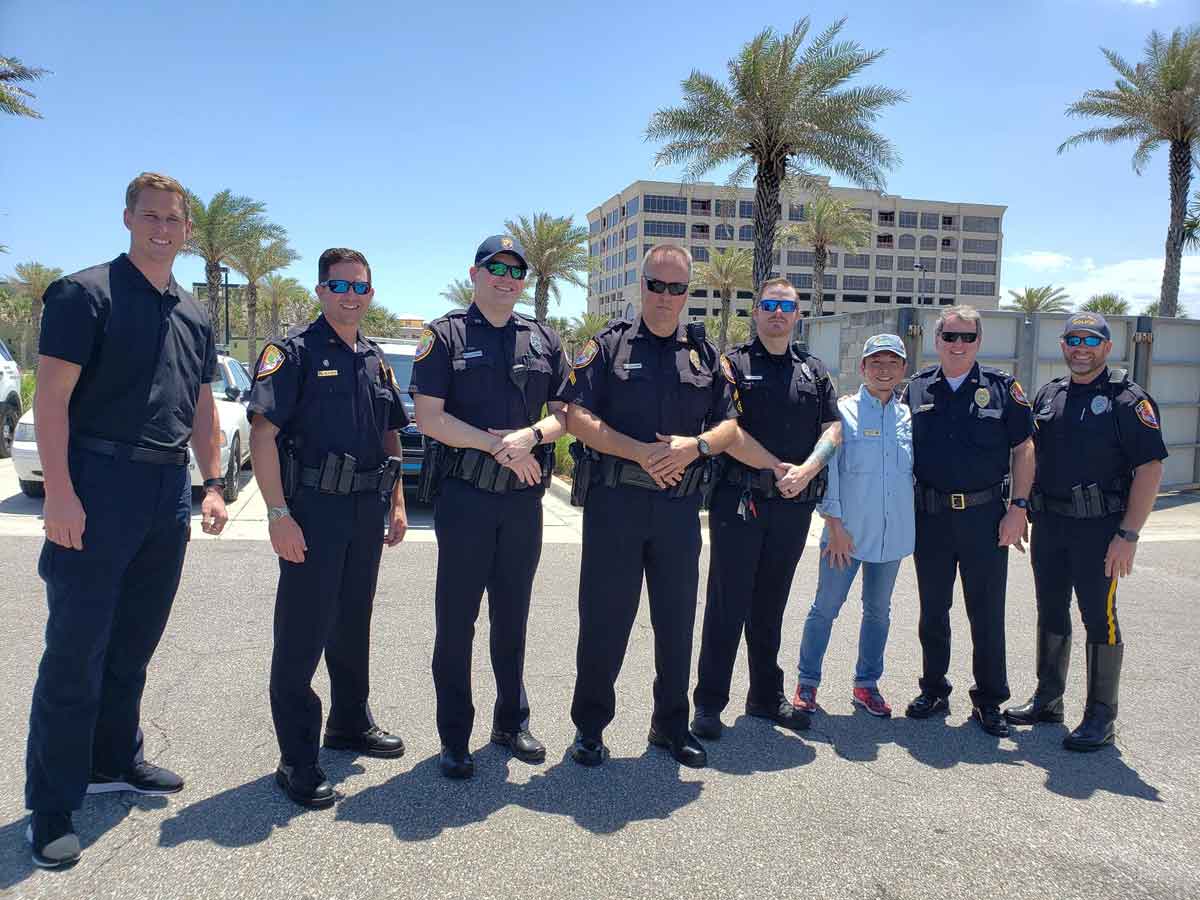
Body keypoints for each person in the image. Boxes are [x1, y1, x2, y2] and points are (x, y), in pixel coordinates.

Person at [25, 172, 228, 868]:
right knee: (75, 652)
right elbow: (50, 402)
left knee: (133, 645)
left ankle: (114, 760)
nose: (163, 228)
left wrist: (213, 483)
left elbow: (201, 407)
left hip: (166, 490)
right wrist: (59, 493)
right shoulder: (84, 295)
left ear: (188, 230)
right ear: (127, 219)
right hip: (96, 481)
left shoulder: (195, 314)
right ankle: (51, 804)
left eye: (174, 219)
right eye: (151, 216)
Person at [562, 243, 737, 769]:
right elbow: (574, 415)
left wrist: (695, 446)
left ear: (688, 292)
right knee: (604, 620)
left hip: (678, 511)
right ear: (641, 286)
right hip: (616, 503)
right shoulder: (608, 347)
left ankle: (670, 726)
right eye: (656, 285)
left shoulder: (707, 356)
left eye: (677, 287)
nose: (666, 297)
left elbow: (730, 425)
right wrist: (638, 450)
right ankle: (590, 729)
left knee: (676, 621)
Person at [248, 247, 409, 808]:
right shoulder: (291, 353)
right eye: (339, 285)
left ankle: (348, 721)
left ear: (370, 294)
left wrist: (397, 503)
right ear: (320, 290)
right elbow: (262, 436)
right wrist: (277, 514)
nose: (350, 295)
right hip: (311, 512)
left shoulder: (375, 358)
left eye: (360, 287)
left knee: (352, 621)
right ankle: (296, 757)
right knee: (301, 633)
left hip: (366, 509)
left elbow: (392, 434)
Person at [409, 235, 568, 779]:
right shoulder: (445, 336)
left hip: (522, 503)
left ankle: (510, 721)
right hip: (466, 501)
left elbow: (565, 414)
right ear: (474, 274)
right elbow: (429, 417)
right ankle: (455, 736)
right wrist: (500, 447)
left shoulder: (544, 338)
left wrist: (529, 435)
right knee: (456, 622)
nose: (506, 278)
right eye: (495, 268)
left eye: (515, 271)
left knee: (513, 618)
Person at [1005, 312, 1166, 750]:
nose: (1081, 347)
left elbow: (1150, 468)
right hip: (1051, 524)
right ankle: (1048, 699)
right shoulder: (1049, 394)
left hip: (1100, 530)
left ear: (1107, 347)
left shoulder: (1128, 400)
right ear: (1062, 345)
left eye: (1091, 340)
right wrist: (1020, 507)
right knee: (1050, 609)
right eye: (1073, 339)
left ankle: (1100, 716)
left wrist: (1129, 534)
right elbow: (1030, 452)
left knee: (1100, 616)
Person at [690, 278, 842, 741]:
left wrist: (809, 469)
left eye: (787, 306)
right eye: (770, 305)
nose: (778, 313)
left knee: (771, 603)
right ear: (756, 312)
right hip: (740, 500)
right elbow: (724, 428)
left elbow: (833, 426)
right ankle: (709, 704)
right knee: (726, 603)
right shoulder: (733, 365)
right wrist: (778, 467)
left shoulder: (813, 371)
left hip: (792, 504)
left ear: (798, 315)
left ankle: (763, 696)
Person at [902, 306, 1034, 737]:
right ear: (937, 340)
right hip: (932, 518)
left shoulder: (1001, 388)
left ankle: (990, 699)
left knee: (987, 613)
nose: (958, 345)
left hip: (985, 518)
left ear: (979, 342)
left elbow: (1024, 448)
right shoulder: (917, 389)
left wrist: (1019, 507)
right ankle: (934, 689)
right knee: (933, 611)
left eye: (968, 337)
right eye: (950, 336)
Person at [793, 334, 914, 718]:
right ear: (862, 368)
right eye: (875, 362)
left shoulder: (908, 417)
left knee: (878, 612)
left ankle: (866, 685)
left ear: (902, 370)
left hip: (890, 538)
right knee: (825, 609)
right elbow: (830, 474)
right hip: (845, 535)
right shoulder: (843, 413)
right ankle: (807, 683)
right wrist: (836, 526)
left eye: (892, 362)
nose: (883, 369)